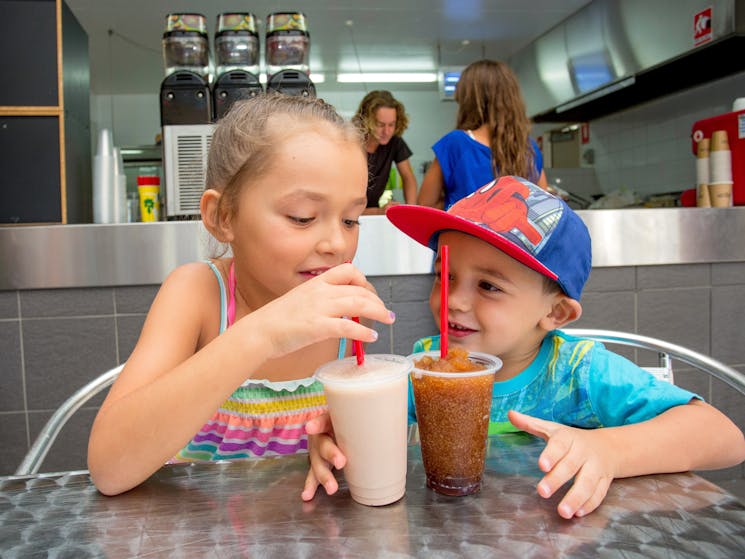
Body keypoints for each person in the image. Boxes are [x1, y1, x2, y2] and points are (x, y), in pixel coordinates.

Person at [304, 175, 745, 519]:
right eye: (446, 275)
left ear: (554, 314)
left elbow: (724, 438)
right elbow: (371, 434)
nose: (453, 300)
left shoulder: (581, 373)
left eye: (489, 286)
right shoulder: (431, 364)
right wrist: (339, 439)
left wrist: (609, 451)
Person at [87, 93, 396, 496]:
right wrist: (261, 335)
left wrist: (336, 446)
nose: (337, 243)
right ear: (223, 217)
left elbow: (350, 452)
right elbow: (109, 468)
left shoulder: (348, 314)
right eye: (302, 217)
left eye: (351, 219)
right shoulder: (196, 295)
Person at [417, 59, 548, 210]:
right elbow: (543, 205)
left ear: (468, 99)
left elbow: (425, 204)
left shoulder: (455, 143)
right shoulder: (528, 148)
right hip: (517, 234)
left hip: (466, 233)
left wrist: (456, 203)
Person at [353, 90, 418, 214]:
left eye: (391, 125)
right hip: (349, 213)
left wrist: (412, 210)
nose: (387, 131)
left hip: (373, 210)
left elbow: (408, 177)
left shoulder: (394, 142)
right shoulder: (351, 143)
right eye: (380, 125)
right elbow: (347, 208)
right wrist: (379, 211)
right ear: (367, 121)